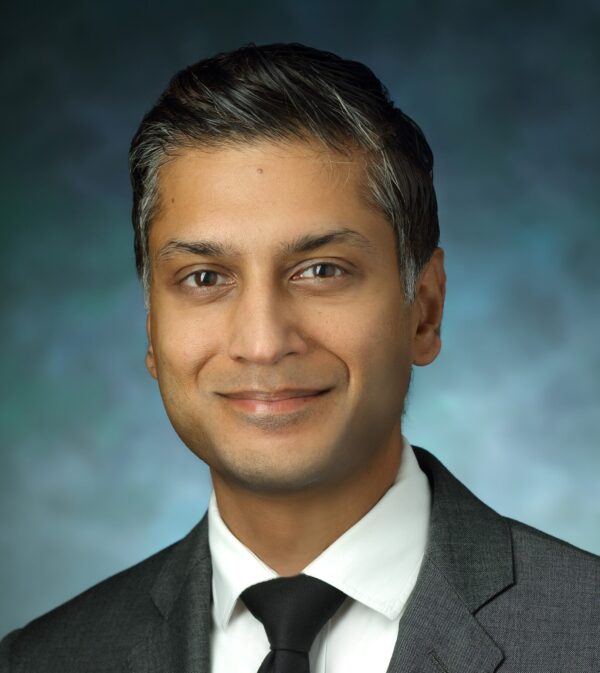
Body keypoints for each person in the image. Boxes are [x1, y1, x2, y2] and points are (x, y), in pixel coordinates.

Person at [1, 42, 598, 673]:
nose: (262, 342)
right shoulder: (40, 660)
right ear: (152, 330)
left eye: (321, 270)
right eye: (204, 277)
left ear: (424, 309)